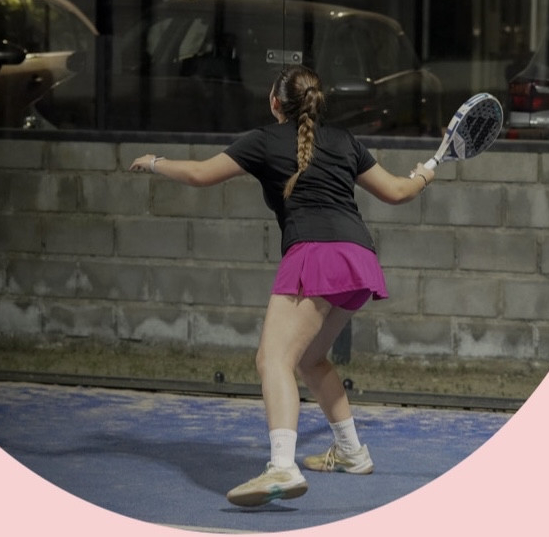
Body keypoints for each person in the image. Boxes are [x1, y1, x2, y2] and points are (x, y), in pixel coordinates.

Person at [129, 65, 435, 507]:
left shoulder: (264, 140)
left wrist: (155, 162)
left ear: (275, 103)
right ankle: (352, 452)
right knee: (310, 359)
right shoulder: (344, 140)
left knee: (273, 359)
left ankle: (282, 467)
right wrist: (424, 175)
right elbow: (398, 192)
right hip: (358, 260)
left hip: (315, 257)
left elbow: (199, 173)